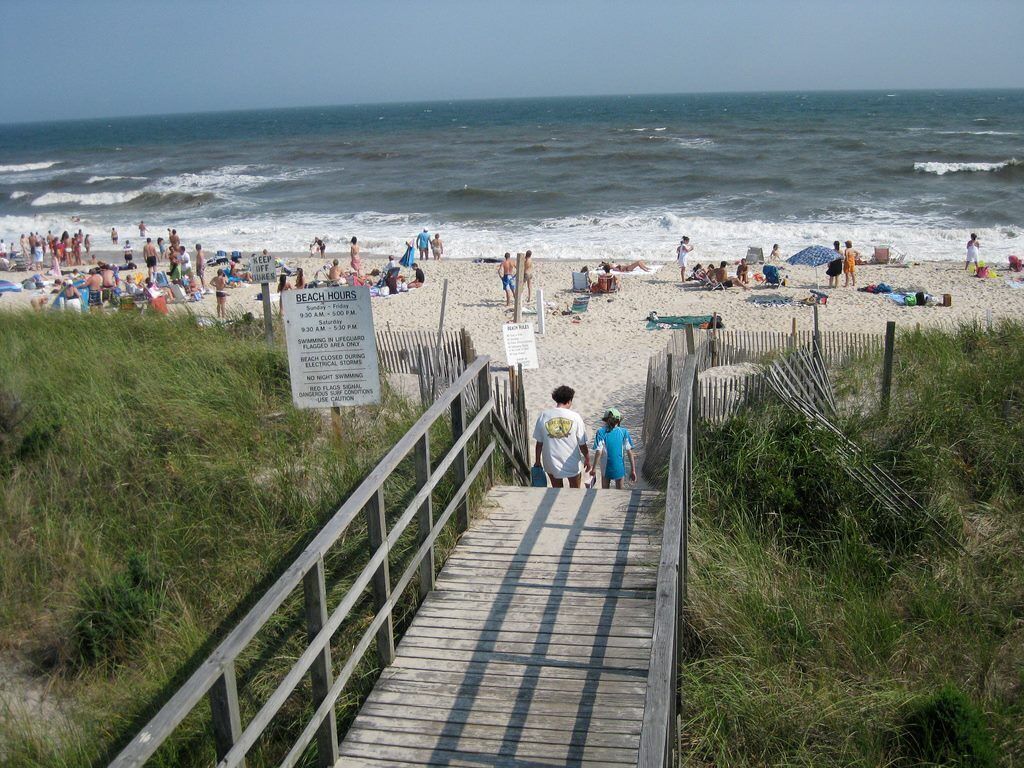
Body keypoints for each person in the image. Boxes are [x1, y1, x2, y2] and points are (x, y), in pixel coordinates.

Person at [533, 385, 590, 488]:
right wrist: (587, 458)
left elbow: (539, 443)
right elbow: (582, 444)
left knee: (556, 489)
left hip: (550, 462)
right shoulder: (575, 417)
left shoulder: (544, 415)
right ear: (569, 401)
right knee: (575, 490)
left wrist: (537, 460)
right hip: (571, 462)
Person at [590, 408, 637, 489]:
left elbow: (599, 452)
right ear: (618, 421)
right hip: (619, 467)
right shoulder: (624, 432)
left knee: (605, 491)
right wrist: (633, 470)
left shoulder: (601, 432)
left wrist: (593, 468)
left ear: (605, 420)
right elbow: (629, 452)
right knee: (619, 492)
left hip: (606, 467)